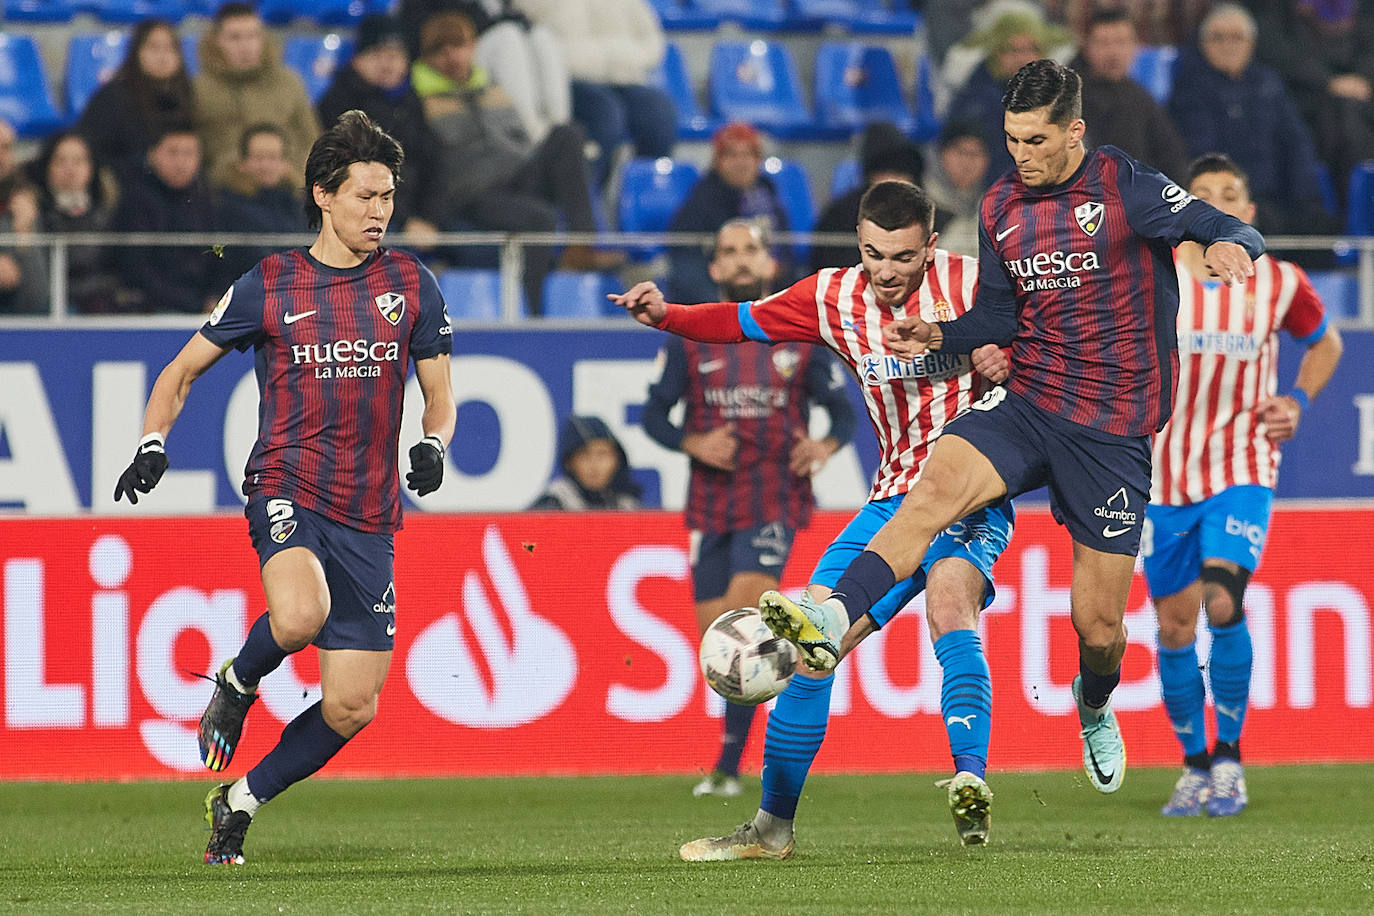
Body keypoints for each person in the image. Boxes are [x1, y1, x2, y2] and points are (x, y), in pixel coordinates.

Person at [760, 59, 1265, 801]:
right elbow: (999, 317)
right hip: (1030, 401)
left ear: (1074, 132)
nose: (1020, 155)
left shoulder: (1124, 186)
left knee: (1097, 628)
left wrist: (1233, 247)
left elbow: (1220, 222)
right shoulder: (1001, 206)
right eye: (1011, 139)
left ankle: (1093, 705)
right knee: (931, 489)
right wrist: (941, 334)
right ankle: (830, 616)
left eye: (1034, 139)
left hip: (1112, 434)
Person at [612, 180, 1016, 852]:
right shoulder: (833, 296)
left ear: (932, 246)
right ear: (859, 243)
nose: (886, 271)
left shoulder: (974, 286)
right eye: (874, 254)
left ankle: (969, 782)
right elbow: (740, 322)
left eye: (903, 257)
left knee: (950, 603)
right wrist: (667, 316)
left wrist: (1009, 362)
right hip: (892, 499)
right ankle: (772, 828)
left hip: (970, 493)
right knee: (808, 649)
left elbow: (1054, 349)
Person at [111, 110, 456, 865]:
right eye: (365, 196)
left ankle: (240, 799)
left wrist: (433, 443)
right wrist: (150, 441)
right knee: (300, 615)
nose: (379, 211)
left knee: (352, 703)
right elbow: (180, 372)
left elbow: (440, 393)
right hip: (287, 481)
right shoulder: (271, 281)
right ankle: (238, 679)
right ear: (324, 197)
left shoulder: (409, 283)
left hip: (370, 511)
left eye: (388, 197)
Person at [1147, 153, 1343, 818]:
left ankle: (1229, 758)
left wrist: (1298, 402)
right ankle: (1194, 764)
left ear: (1248, 212)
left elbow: (1326, 344)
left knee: (1222, 601)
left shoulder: (1280, 282)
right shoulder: (1155, 276)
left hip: (1242, 465)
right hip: (1162, 476)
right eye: (1203, 196)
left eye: (1230, 194)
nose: (1219, 204)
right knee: (1174, 628)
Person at [643, 219, 856, 798]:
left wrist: (825, 445)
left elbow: (843, 411)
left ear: (767, 264)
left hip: (773, 496)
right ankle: (731, 759)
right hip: (711, 499)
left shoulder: (800, 339)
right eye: (729, 251)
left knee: (747, 617)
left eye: (750, 251)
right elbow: (653, 417)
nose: (740, 261)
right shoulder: (689, 339)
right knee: (716, 639)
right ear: (714, 268)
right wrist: (693, 442)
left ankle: (738, 767)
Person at [412, 9, 619, 312]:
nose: (453, 57)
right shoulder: (418, 102)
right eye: (442, 50)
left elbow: (521, 137)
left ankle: (582, 243)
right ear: (426, 56)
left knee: (567, 135)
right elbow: (427, 167)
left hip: (516, 176)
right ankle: (532, 313)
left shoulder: (491, 88)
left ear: (473, 48)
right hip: (471, 196)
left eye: (460, 46)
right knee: (540, 217)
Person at [1168, 3, 1333, 237]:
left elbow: (1296, 143)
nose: (1228, 46)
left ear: (1251, 44)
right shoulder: (1189, 88)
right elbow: (1201, 153)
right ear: (1203, 43)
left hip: (1274, 200)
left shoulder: (1268, 84)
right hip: (1221, 202)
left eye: (1237, 38)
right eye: (1218, 38)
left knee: (1319, 227)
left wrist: (1305, 200)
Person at [518, 0, 677, 187]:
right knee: (606, 114)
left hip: (623, 75)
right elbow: (528, 37)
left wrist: (631, 58)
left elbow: (652, 38)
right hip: (566, 80)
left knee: (659, 110)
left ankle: (647, 194)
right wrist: (576, 61)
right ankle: (588, 198)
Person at [317, 15, 444, 238]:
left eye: (395, 56)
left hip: (420, 219)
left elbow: (432, 162)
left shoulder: (411, 102)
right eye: (377, 55)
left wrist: (430, 218)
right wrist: (406, 222)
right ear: (357, 60)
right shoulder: (339, 104)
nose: (388, 64)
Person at [396, 0, 571, 142]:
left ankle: (559, 125)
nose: (452, 56)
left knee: (541, 36)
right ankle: (531, 128)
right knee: (507, 36)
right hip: (440, 73)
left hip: (479, 70)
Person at [194, 3, 323, 179]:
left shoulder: (288, 83)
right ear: (217, 41)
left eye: (253, 36)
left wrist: (295, 176)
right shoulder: (199, 90)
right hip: (224, 192)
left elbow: (311, 141)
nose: (246, 46)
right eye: (235, 37)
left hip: (286, 189)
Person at [667, 123, 791, 305]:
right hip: (720, 302)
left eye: (748, 154)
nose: (741, 163)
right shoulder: (700, 203)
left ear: (758, 160)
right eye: (732, 155)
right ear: (717, 161)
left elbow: (787, 257)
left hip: (770, 299)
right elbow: (686, 266)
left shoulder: (769, 195)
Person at [110, 123, 220, 314]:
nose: (180, 162)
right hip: (152, 309)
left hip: (205, 307)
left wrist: (215, 297)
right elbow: (137, 269)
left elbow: (220, 259)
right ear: (152, 154)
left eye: (188, 153)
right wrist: (195, 304)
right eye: (172, 153)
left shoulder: (208, 200)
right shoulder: (135, 201)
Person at [1071, 7, 1189, 181]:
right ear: (1087, 47)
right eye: (1103, 43)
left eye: (1121, 42)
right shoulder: (1069, 96)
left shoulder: (1140, 97)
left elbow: (1171, 156)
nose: (1113, 52)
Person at [77, 18, 197, 181]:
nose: (163, 56)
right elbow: (92, 151)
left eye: (170, 48)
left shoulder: (188, 95)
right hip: (127, 186)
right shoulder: (112, 97)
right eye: (154, 47)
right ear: (136, 52)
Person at [25, 130, 120, 314]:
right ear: (47, 167)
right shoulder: (34, 214)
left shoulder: (111, 214)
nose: (70, 169)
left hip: (101, 307)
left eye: (78, 161)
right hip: (50, 309)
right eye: (60, 161)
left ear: (92, 167)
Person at [810, 124, 926, 271]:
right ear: (871, 176)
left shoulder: (926, 212)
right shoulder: (841, 215)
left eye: (902, 174)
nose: (895, 182)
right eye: (886, 173)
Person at [212, 124, 304, 285]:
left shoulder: (298, 206)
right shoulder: (229, 207)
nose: (266, 165)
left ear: (284, 163)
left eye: (273, 157)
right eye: (259, 158)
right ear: (242, 162)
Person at [530, 415, 642, 510]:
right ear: (569, 462)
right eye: (584, 455)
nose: (594, 464)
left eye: (602, 454)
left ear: (617, 460)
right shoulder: (553, 504)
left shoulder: (627, 506)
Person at [920, 120, 993, 259]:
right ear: (941, 154)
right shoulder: (919, 204)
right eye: (960, 151)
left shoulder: (994, 208)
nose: (967, 161)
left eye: (976, 154)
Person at [0, 117, 46, 315]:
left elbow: (37, 300)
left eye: (6, 147)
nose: (0, 155)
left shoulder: (22, 204)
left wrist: (24, 237)